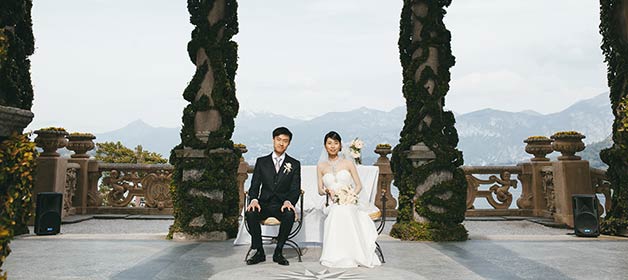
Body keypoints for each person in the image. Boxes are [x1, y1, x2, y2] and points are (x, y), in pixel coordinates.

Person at [317, 131, 381, 268]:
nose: (332, 146)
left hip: (349, 201)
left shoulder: (348, 163)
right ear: (325, 146)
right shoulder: (321, 166)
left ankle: (352, 254)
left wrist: (350, 196)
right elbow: (319, 190)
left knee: (344, 211)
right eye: (329, 143)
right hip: (332, 202)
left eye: (335, 143)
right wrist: (327, 191)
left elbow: (358, 185)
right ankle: (334, 255)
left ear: (340, 146)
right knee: (336, 211)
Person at [245, 127, 301, 266]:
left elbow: (295, 189)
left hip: (281, 205)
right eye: (279, 140)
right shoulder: (261, 162)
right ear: (273, 140)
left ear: (289, 143)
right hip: (263, 204)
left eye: (285, 141)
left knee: (289, 214)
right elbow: (255, 185)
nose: (281, 143)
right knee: (251, 213)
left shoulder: (294, 164)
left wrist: (289, 201)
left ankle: (279, 251)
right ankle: (259, 251)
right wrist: (253, 199)